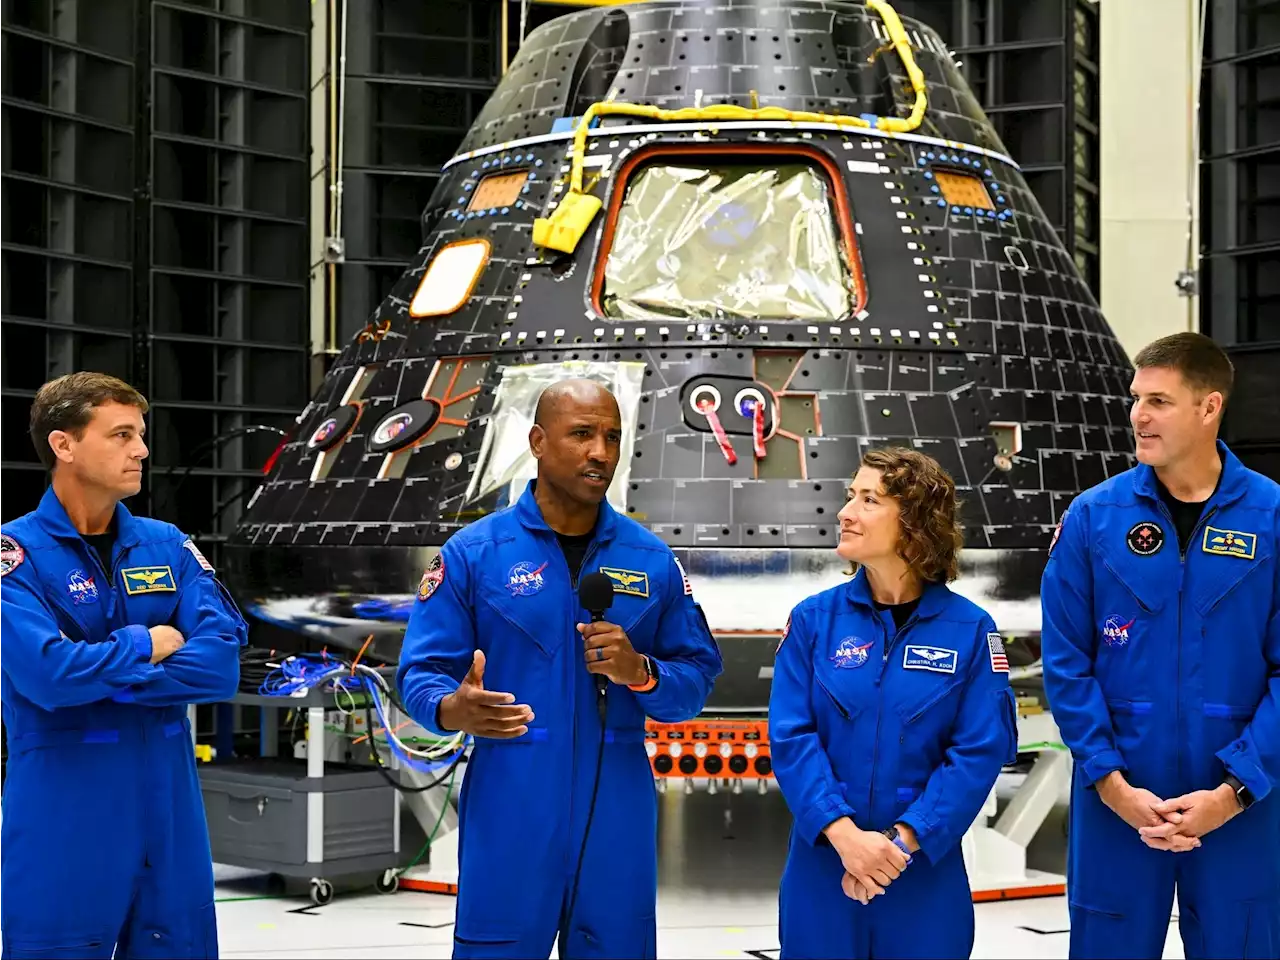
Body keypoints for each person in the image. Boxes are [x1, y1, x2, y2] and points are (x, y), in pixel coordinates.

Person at [395, 377, 723, 959]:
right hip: (511, 797)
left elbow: (693, 683)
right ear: (539, 442)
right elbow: (419, 674)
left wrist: (641, 671)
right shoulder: (474, 554)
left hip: (617, 802)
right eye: (582, 434)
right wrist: (453, 708)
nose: (601, 452)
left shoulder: (652, 560)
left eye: (612, 437)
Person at [1041, 331, 1280, 958]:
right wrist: (1112, 783)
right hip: (1119, 796)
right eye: (1136, 399)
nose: (1138, 416)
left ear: (1209, 408)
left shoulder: (1272, 519)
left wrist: (1235, 792)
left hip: (1241, 797)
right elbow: (1067, 663)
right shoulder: (1094, 518)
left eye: (1159, 401)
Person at [0, 373, 248, 959]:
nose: (141, 449)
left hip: (170, 817)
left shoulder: (168, 545)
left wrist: (101, 672)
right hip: (65, 817)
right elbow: (48, 677)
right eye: (121, 435)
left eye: (140, 434)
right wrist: (147, 644)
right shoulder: (15, 555)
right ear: (64, 445)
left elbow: (220, 667)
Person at [770, 447, 1018, 960]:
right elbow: (792, 737)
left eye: (868, 499)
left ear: (915, 521)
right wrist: (845, 837)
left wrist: (899, 845)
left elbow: (978, 752)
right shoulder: (813, 623)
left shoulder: (971, 632)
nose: (845, 512)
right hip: (824, 866)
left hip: (922, 871)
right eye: (849, 496)